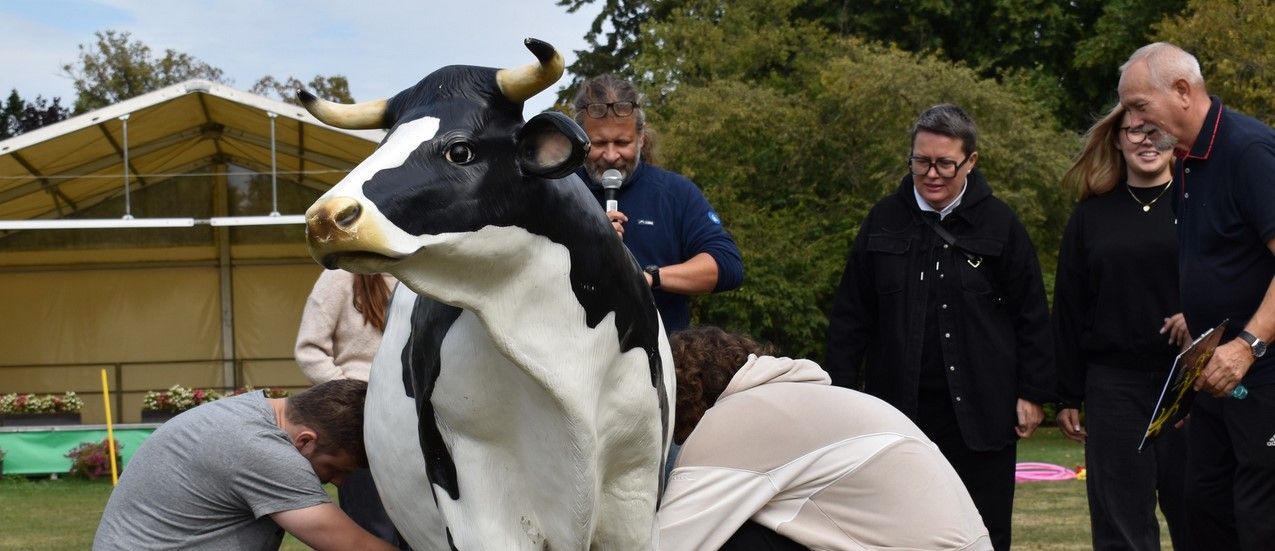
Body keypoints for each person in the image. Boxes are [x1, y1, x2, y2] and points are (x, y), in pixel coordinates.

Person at [824, 103, 1054, 551]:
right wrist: (840, 395)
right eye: (921, 161)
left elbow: (1031, 313)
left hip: (983, 413)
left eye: (945, 163)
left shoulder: (1000, 223)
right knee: (899, 534)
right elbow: (851, 317)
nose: (931, 174)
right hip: (897, 414)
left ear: (971, 161)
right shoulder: (882, 220)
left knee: (984, 533)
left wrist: (1032, 392)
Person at [1118, 42, 1275, 550]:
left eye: (1140, 105)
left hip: (1262, 375)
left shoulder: (1248, 151)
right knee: (1202, 507)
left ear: (1183, 91)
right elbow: (1226, 262)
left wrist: (1247, 344)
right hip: (1215, 381)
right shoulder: (1187, 162)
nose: (1134, 120)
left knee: (1260, 518)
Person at [659, 326, 992, 551]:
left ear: (680, 394)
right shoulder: (801, 399)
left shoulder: (732, 422)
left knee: (730, 538)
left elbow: (669, 542)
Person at [1051, 102, 1193, 550]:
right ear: (1117, 140)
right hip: (1113, 386)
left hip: (1191, 382)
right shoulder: (1090, 217)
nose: (1147, 141)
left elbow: (1237, 279)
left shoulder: (1201, 204)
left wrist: (1201, 314)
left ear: (1176, 138)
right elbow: (1070, 309)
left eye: (1157, 132)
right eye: (1135, 132)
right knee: (1121, 528)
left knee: (1201, 514)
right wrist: (1067, 393)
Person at [94, 379, 397, 551]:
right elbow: (355, 547)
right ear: (305, 441)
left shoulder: (249, 414)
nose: (339, 482)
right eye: (335, 468)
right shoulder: (260, 449)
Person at [571, 74, 744, 332]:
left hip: (660, 360)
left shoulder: (674, 193)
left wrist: (650, 277)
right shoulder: (557, 191)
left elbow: (727, 265)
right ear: (581, 141)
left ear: (641, 138)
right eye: (598, 143)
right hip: (572, 359)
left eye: (622, 142)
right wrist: (582, 242)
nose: (610, 155)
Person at [295, 269, 407, 548]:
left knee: (418, 526)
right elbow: (309, 350)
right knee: (370, 524)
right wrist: (352, 395)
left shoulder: (414, 274)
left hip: (411, 419)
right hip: (361, 420)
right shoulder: (339, 277)